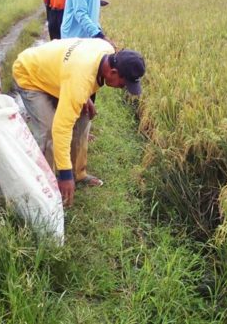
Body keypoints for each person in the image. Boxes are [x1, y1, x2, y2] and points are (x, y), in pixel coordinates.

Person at [12, 38, 145, 207]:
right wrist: (64, 175)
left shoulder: (106, 50)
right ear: (112, 72)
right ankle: (48, 187)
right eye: (123, 83)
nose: (123, 87)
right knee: (49, 131)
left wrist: (85, 97)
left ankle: (79, 174)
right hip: (30, 73)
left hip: (60, 74)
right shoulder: (79, 81)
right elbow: (61, 129)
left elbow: (79, 73)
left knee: (83, 119)